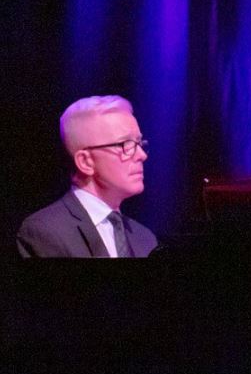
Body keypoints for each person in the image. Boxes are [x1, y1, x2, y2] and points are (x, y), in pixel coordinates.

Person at [17, 95, 157, 258]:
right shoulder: (45, 232)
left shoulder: (145, 239)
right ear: (86, 162)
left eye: (139, 143)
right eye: (124, 144)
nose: (141, 155)